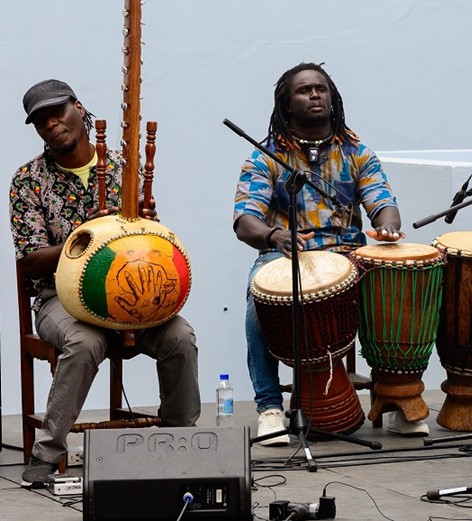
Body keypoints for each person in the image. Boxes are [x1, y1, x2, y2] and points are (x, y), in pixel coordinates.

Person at [10, 79, 201, 488]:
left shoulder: (121, 169)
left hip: (128, 293)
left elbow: (145, 242)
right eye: (41, 121)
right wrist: (89, 234)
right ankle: (46, 453)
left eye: (57, 112)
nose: (51, 124)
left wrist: (148, 222)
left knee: (180, 336)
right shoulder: (27, 180)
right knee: (85, 342)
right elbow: (30, 258)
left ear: (79, 108)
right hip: (57, 299)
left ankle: (181, 441)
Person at [232, 62, 420, 443]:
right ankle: (270, 409)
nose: (315, 94)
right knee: (257, 300)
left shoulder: (356, 152)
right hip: (286, 256)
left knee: (398, 288)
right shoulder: (265, 157)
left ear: (333, 98)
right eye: (304, 90)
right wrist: (273, 235)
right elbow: (244, 221)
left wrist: (387, 224)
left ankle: (397, 400)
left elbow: (383, 201)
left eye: (321, 88)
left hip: (348, 255)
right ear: (286, 105)